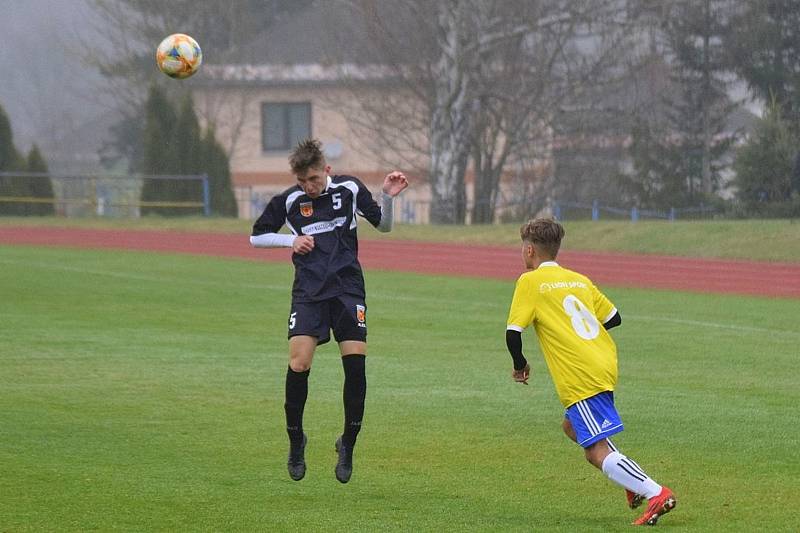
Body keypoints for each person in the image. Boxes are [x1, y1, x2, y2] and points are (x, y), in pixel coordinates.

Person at [250, 138, 409, 483]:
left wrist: (387, 197)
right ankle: (296, 441)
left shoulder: (349, 189)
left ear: (327, 170)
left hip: (348, 290)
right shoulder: (290, 201)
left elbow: (384, 225)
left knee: (355, 368)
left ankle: (347, 444)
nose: (309, 187)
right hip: (309, 293)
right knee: (299, 363)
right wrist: (289, 241)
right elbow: (257, 236)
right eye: (302, 181)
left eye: (314, 180)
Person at [504, 218, 676, 526]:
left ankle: (655, 492)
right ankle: (631, 483)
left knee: (596, 451)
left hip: (579, 374)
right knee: (572, 427)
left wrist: (520, 366)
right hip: (603, 363)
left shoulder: (529, 282)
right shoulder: (579, 279)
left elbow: (513, 332)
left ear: (529, 250)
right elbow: (614, 317)